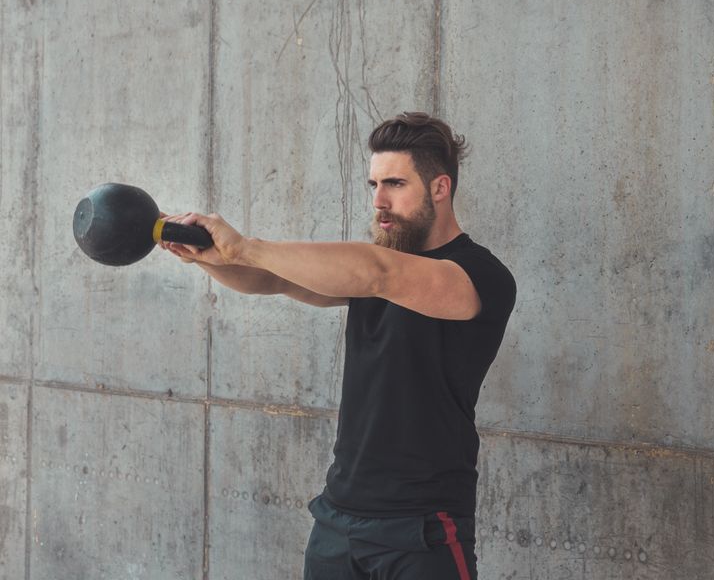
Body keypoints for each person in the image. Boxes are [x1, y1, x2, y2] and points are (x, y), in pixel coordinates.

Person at [163, 112, 516, 580]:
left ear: (440, 187)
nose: (379, 201)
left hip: (422, 526)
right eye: (373, 185)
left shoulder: (479, 274)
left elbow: (378, 273)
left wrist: (244, 245)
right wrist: (208, 258)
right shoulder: (368, 272)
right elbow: (271, 278)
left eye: (394, 184)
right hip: (338, 520)